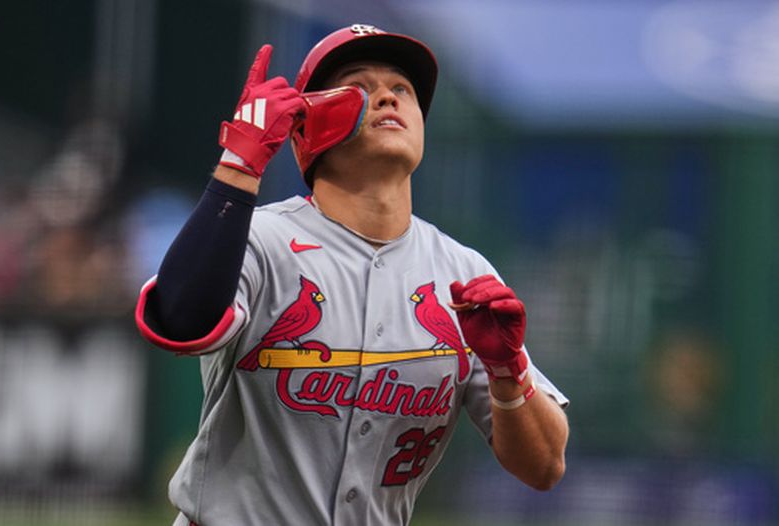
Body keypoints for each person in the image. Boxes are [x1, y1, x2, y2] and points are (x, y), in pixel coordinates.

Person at [135, 23, 570, 526]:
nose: (388, 97)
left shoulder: (461, 272)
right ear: (308, 127)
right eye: (359, 87)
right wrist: (239, 162)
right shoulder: (257, 240)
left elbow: (544, 467)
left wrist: (508, 372)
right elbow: (181, 318)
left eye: (402, 89)